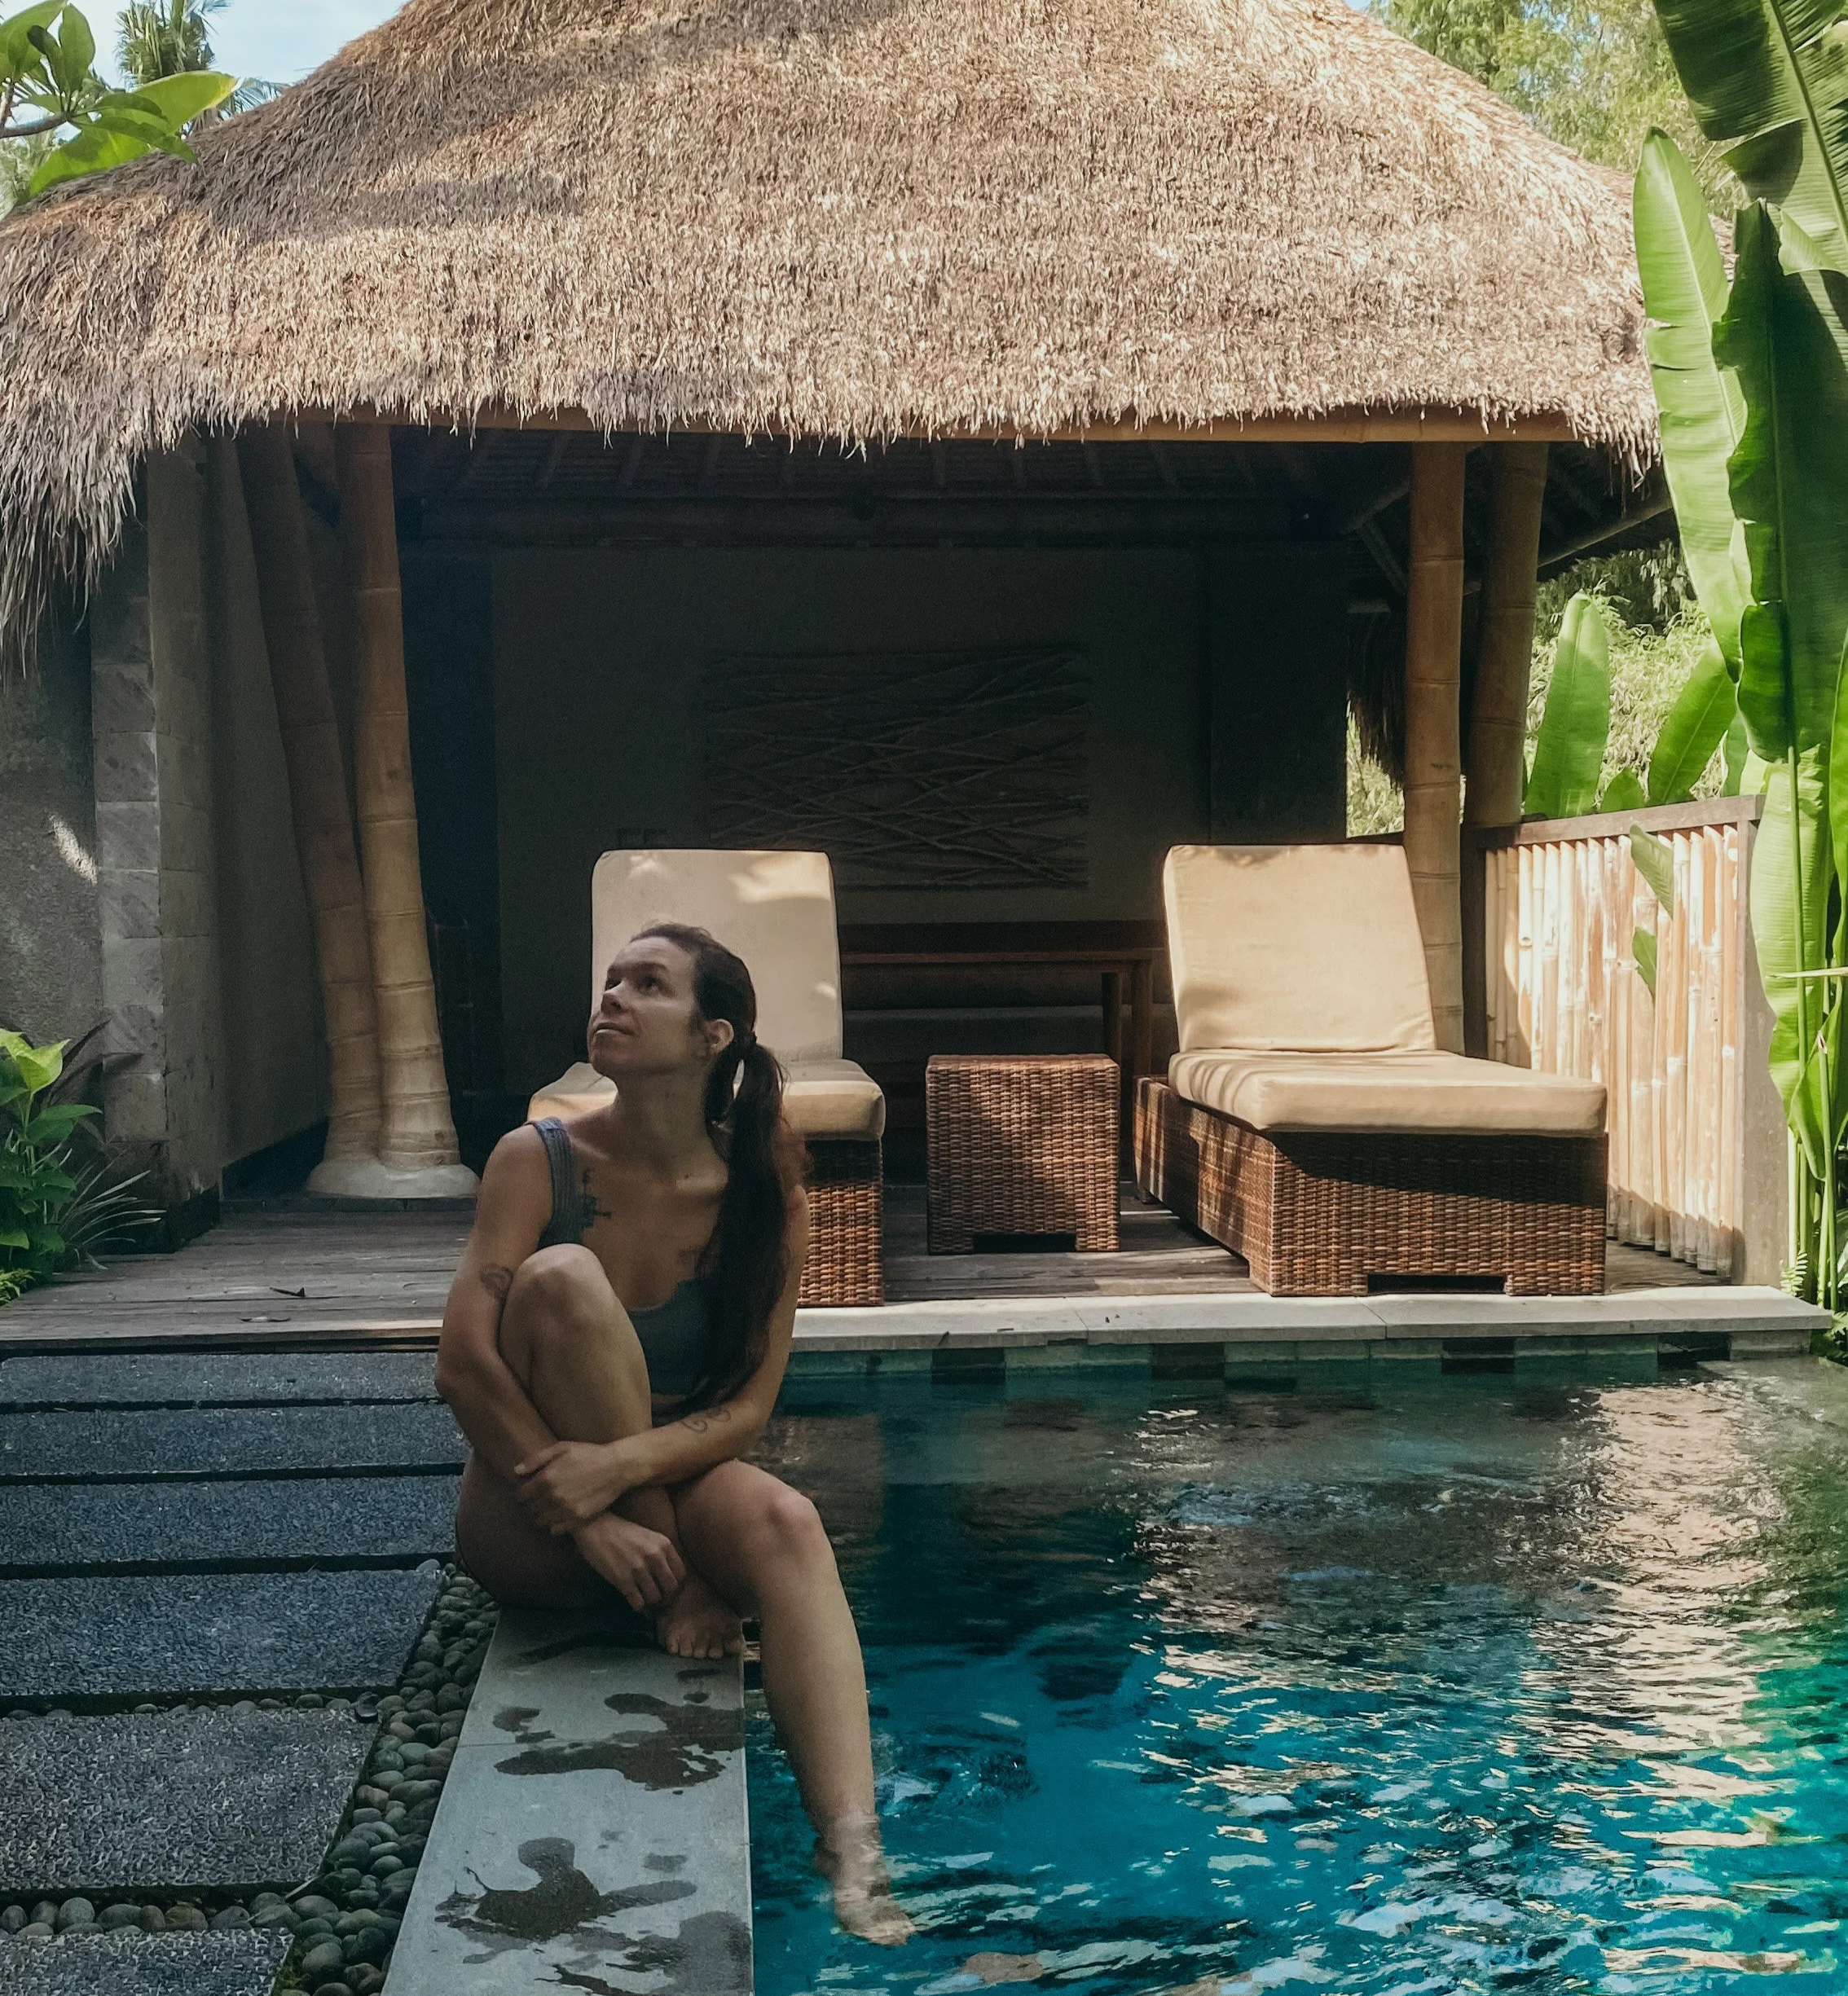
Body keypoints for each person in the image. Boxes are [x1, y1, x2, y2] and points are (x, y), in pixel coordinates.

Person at [434, 922, 911, 1944]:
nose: (611, 996)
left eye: (647, 984)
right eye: (610, 978)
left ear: (713, 1036)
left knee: (789, 1519)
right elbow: (463, 1362)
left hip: (643, 1483)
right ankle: (669, 1591)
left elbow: (747, 1410)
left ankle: (855, 1851)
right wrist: (605, 1521)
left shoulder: (765, 1192)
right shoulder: (536, 1159)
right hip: (532, 1512)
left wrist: (618, 1467)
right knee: (563, 1277)